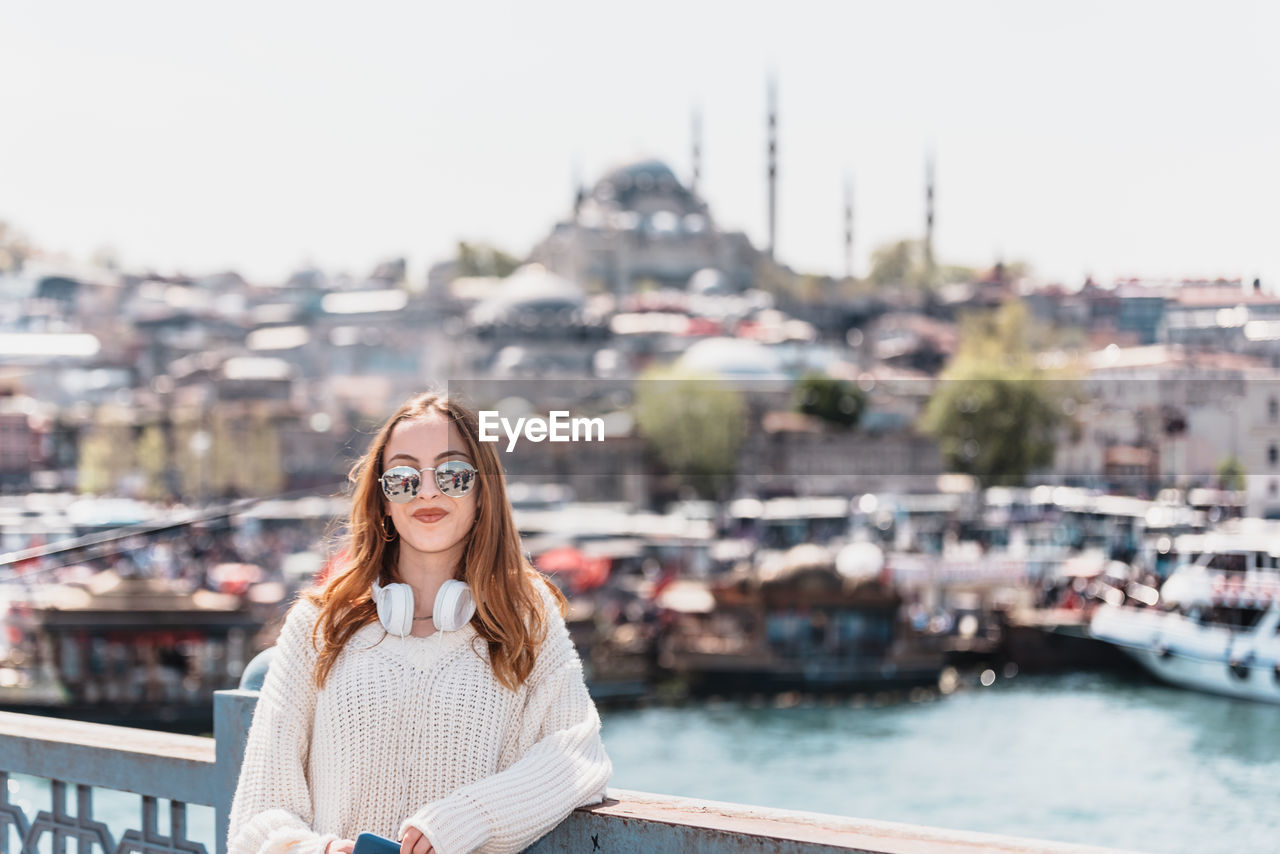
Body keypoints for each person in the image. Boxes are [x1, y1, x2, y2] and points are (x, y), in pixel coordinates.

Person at [227, 393, 612, 854]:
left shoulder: (526, 620)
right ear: (384, 499)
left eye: (452, 473)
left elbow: (579, 755)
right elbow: (256, 818)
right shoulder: (319, 624)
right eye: (404, 477)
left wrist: (465, 819)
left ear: (481, 493)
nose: (428, 491)